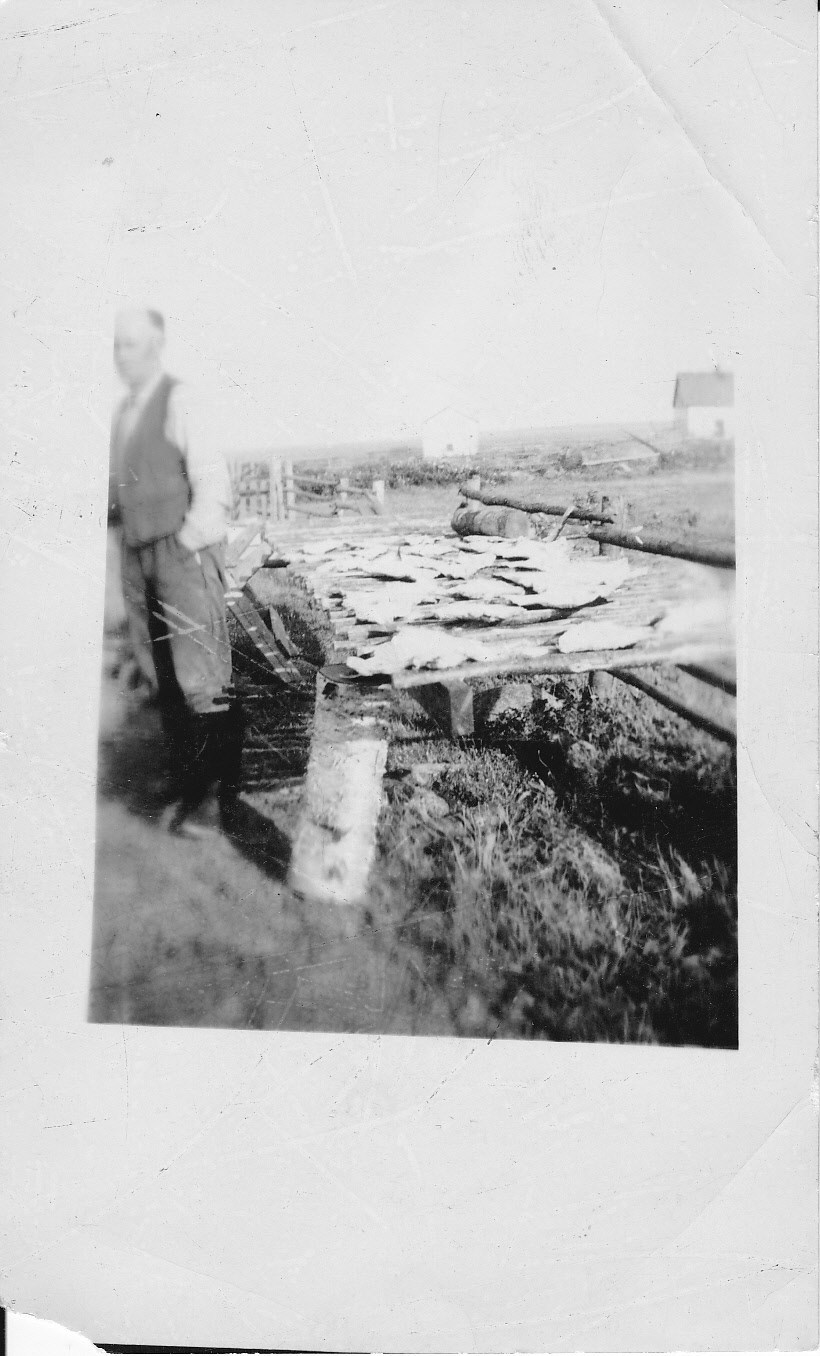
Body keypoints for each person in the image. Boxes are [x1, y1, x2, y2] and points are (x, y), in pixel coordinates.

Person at [109, 307, 243, 837]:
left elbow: (213, 485)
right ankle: (189, 782)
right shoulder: (124, 414)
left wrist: (185, 546)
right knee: (161, 673)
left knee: (201, 676)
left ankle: (215, 800)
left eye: (133, 345)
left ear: (156, 345)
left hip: (181, 553)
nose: (123, 356)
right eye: (117, 345)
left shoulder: (180, 400)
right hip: (139, 556)